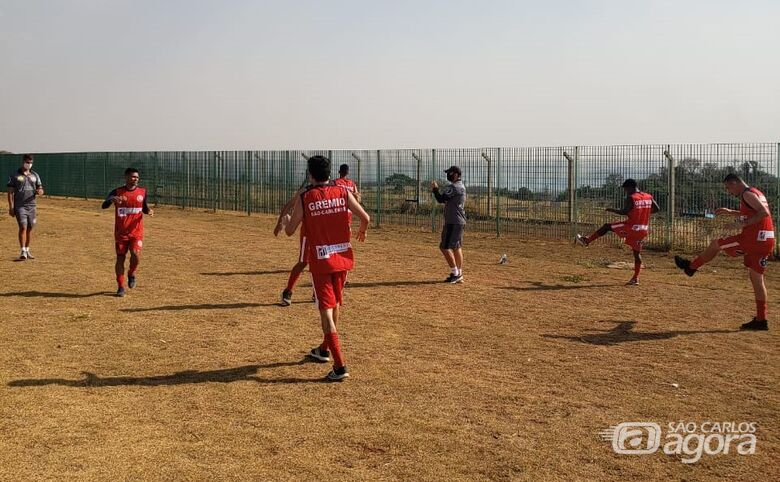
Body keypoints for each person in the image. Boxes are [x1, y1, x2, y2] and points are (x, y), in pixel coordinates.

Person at [281, 155, 370, 381]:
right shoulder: (342, 191)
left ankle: (340, 366)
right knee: (336, 303)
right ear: (330, 173)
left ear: (310, 174)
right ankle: (324, 349)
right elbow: (366, 217)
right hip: (343, 258)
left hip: (322, 260)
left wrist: (285, 220)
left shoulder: (307, 197)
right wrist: (362, 230)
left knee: (326, 311)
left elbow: (291, 230)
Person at [674, 174, 774, 331]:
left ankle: (691, 268)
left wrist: (741, 224)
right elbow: (754, 211)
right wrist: (730, 212)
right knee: (757, 279)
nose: (728, 191)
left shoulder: (747, 194)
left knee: (716, 244)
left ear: (734, 183)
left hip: (752, 240)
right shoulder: (756, 192)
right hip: (766, 240)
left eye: (728, 187)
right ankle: (761, 320)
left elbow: (763, 213)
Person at [575, 179, 660, 285]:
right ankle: (635, 278)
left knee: (607, 226)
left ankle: (587, 240)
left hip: (631, 227)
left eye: (625, 189)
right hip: (643, 230)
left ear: (630, 187)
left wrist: (612, 210)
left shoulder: (632, 197)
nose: (625, 191)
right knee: (637, 253)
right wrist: (643, 213)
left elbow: (624, 211)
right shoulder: (648, 196)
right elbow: (657, 209)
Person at [101, 168, 154, 297]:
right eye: (133, 177)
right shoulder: (117, 192)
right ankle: (120, 287)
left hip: (136, 232)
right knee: (120, 258)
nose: (135, 179)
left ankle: (131, 273)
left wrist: (149, 211)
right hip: (121, 233)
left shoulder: (142, 192)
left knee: (135, 254)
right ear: (126, 177)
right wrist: (111, 200)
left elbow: (144, 208)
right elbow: (104, 205)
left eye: (137, 177)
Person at [274, 184, 310, 306]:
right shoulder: (305, 192)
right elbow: (289, 204)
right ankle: (288, 291)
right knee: (303, 262)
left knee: (321, 263)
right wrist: (279, 223)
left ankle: (318, 292)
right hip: (309, 233)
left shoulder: (332, 189)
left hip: (324, 234)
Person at [431, 166, 466, 283]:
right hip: (458, 222)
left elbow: (441, 199)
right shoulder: (461, 186)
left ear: (455, 174)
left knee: (444, 247)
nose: (448, 176)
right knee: (456, 247)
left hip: (453, 222)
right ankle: (459, 273)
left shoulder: (454, 187)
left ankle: (455, 273)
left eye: (449, 173)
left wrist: (435, 189)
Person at [7, 154, 44, 260]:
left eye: (31, 162)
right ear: (23, 162)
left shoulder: (35, 175)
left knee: (30, 228)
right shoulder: (14, 175)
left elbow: (40, 188)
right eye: (27, 162)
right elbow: (10, 192)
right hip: (20, 206)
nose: (29, 164)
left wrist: (40, 191)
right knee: (23, 227)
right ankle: (22, 251)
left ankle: (27, 250)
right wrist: (11, 207)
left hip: (32, 206)